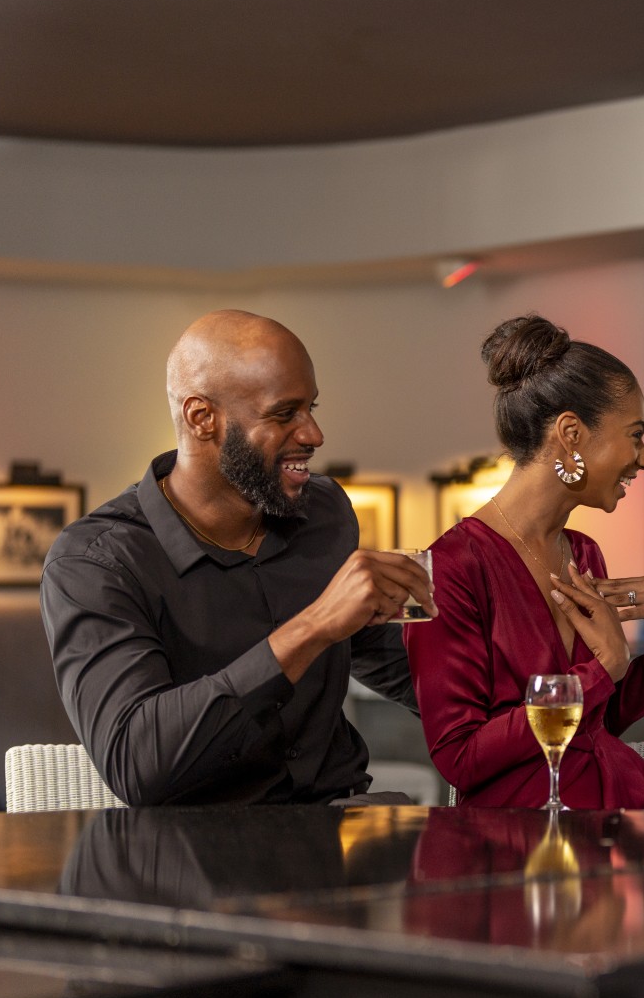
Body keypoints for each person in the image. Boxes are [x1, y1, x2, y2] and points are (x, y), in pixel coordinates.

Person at [42, 310, 433, 807]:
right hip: (198, 856)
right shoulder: (96, 562)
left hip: (341, 829)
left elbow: (377, 651)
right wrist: (310, 628)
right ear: (202, 418)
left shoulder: (325, 513)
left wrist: (529, 694)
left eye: (311, 408)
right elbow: (136, 763)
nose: (313, 434)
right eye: (284, 413)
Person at [407, 315, 644, 808]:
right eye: (634, 434)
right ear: (571, 432)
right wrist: (601, 667)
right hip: (519, 841)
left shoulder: (583, 553)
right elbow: (459, 756)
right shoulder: (446, 568)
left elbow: (597, 722)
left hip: (608, 810)